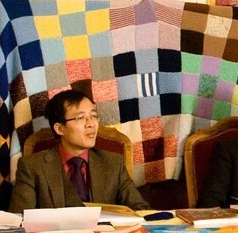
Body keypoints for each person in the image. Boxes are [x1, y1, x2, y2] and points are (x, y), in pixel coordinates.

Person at [9, 89, 149, 211]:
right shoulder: (31, 167)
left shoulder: (113, 163)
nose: (91, 124)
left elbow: (140, 210)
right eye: (81, 117)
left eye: (93, 116)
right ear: (59, 128)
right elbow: (20, 219)